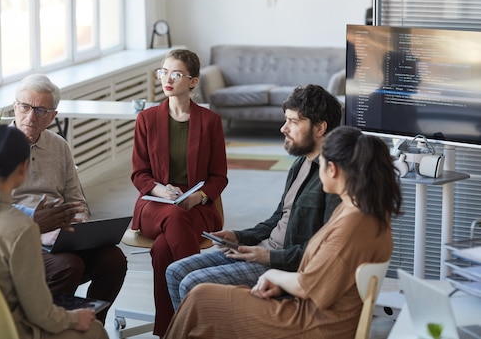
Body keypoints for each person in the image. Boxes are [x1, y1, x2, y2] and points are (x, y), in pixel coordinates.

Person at [163, 126, 403, 339]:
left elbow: (309, 286)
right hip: (311, 309)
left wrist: (275, 276)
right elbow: (324, 275)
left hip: (312, 324)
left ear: (332, 169)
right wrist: (281, 283)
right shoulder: (361, 210)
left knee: (200, 297)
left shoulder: (353, 224)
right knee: (201, 296)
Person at [166, 84, 342, 311]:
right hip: (262, 250)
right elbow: (279, 217)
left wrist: (268, 256)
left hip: (282, 266)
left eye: (293, 122)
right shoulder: (301, 163)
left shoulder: (333, 178)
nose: (283, 128)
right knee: (174, 271)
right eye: (285, 119)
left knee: (192, 283)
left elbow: (321, 252)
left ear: (320, 128)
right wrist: (239, 236)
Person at [0, 73, 127, 324]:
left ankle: (91, 326)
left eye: (41, 110)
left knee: (114, 260)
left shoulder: (59, 146)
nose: (31, 117)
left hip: (62, 232)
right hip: (18, 236)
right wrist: (39, 230)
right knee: (69, 266)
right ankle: (45, 326)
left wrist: (79, 228)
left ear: (53, 116)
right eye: (25, 107)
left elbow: (76, 198)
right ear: (14, 107)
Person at [0, 125, 107, 339]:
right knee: (95, 329)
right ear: (23, 169)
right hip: (9, 332)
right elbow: (41, 314)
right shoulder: (21, 228)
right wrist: (76, 318)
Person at [131, 48, 228, 336]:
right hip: (155, 203)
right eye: (163, 72)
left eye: (176, 73)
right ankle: (200, 305)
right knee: (174, 217)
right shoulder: (146, 119)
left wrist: (198, 197)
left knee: (162, 250)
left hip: (197, 205)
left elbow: (219, 176)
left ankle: (168, 330)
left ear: (193, 81)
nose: (167, 79)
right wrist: (162, 191)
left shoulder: (210, 122)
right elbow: (139, 174)